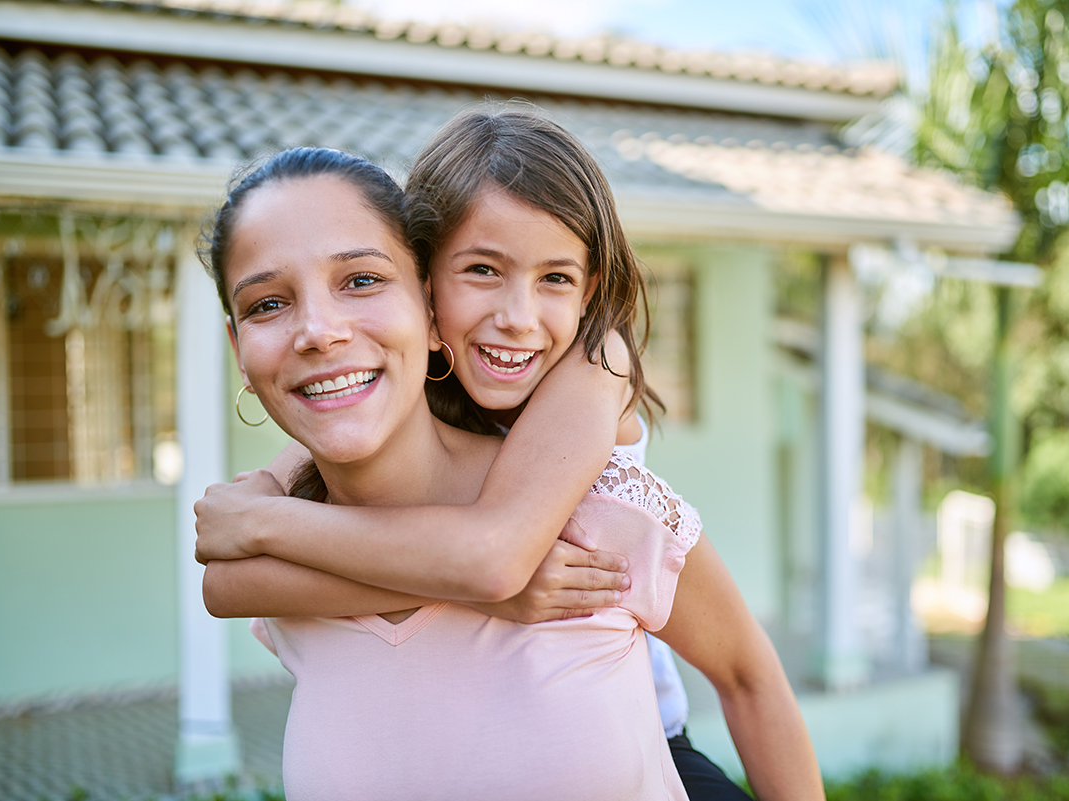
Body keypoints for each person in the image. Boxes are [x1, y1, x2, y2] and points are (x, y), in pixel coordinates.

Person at [197, 109, 823, 801]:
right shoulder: (369, 409)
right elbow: (228, 583)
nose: (518, 316)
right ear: (430, 290)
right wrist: (256, 519)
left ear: (587, 292)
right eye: (483, 270)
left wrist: (258, 524)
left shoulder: (592, 367)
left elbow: (495, 557)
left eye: (555, 278)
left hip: (661, 737)